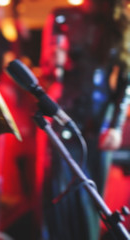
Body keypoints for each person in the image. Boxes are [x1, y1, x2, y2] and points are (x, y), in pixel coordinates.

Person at [40, 0, 130, 239]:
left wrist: (116, 125)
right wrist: (53, 63)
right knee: (59, 195)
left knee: (92, 197)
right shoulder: (61, 16)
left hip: (99, 121)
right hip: (64, 116)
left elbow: (126, 81)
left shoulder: (119, 23)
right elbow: (49, 71)